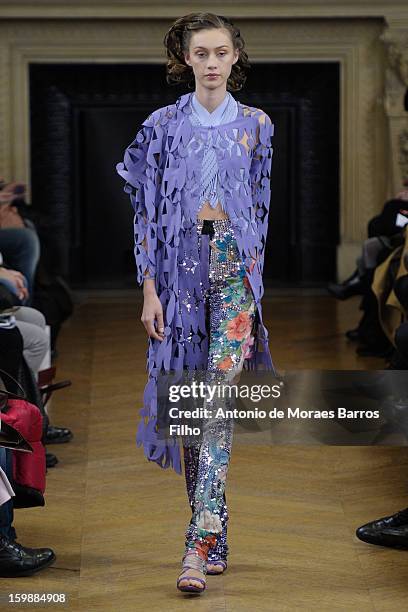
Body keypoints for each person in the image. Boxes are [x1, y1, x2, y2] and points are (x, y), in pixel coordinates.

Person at [116, 12, 276, 595]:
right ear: (185, 60)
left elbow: (260, 209)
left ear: (236, 57)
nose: (211, 62)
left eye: (221, 52)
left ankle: (195, 544)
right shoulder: (160, 126)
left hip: (234, 275)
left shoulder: (258, 125)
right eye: (201, 53)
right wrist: (149, 288)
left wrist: (254, 286)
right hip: (177, 279)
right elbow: (146, 210)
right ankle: (216, 528)